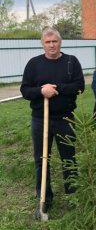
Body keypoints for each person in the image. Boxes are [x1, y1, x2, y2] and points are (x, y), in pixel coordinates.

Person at [20, 27, 85, 217]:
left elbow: (79, 86)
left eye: (54, 41)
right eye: (48, 42)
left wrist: (56, 89)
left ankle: (73, 197)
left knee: (69, 159)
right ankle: (44, 200)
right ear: (42, 44)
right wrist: (41, 91)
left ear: (60, 42)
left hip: (65, 118)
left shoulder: (71, 62)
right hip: (41, 120)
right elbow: (25, 90)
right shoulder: (34, 64)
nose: (51, 45)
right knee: (42, 160)